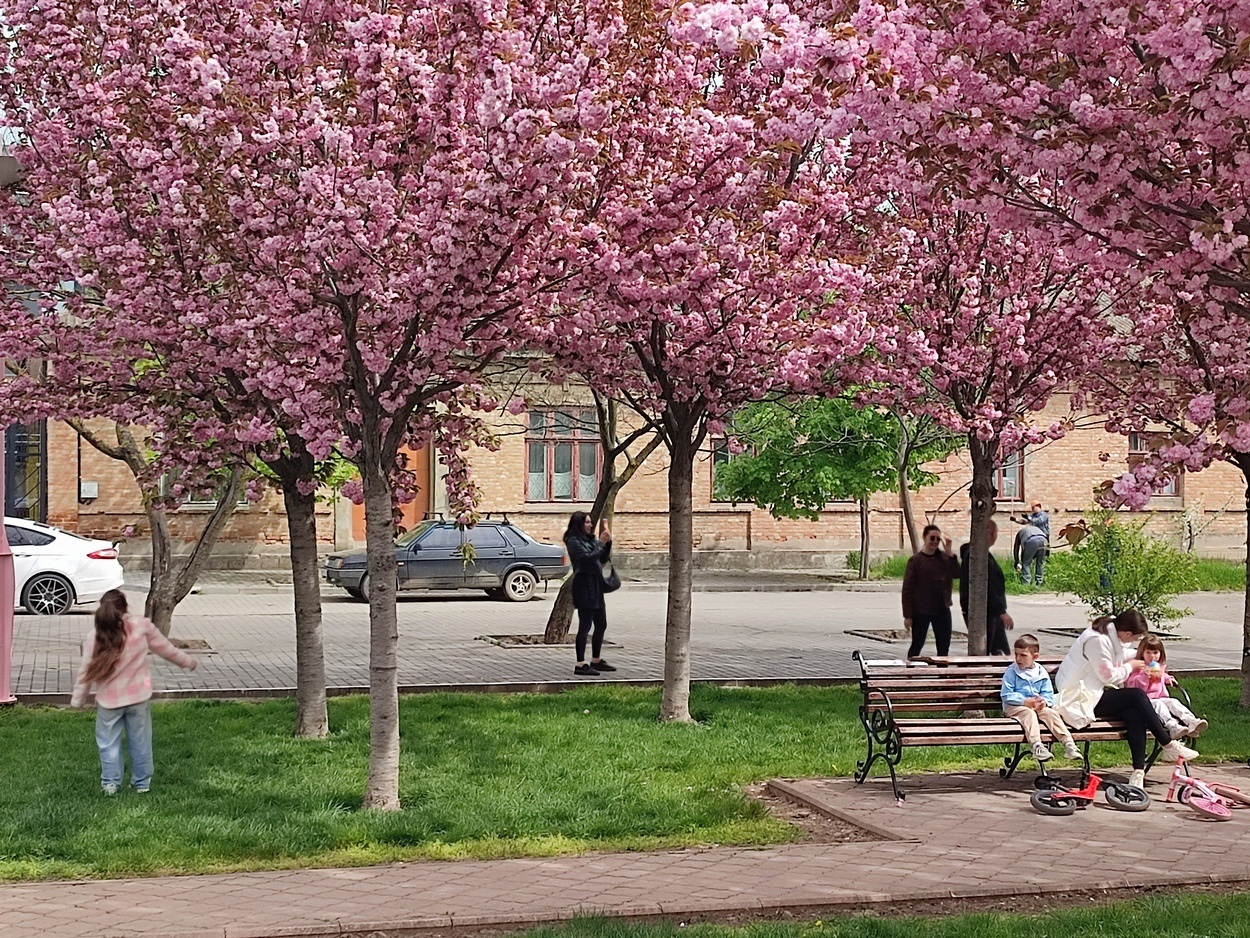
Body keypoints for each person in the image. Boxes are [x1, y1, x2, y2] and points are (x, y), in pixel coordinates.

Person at [69, 589, 198, 794]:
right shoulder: (141, 627)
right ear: (125, 607)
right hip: (138, 698)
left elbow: (86, 670)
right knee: (140, 740)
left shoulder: (95, 636)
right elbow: (165, 648)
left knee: (108, 743)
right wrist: (186, 661)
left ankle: (110, 784)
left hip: (108, 702)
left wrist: (78, 700)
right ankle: (142, 784)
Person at [1054, 609, 1198, 790]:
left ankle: (1138, 772)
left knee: (1134, 712)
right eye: (1135, 639)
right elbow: (1108, 676)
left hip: (1093, 691)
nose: (1133, 643)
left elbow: (1123, 653)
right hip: (1077, 696)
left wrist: (1145, 657)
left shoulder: (1112, 628)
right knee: (1136, 695)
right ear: (1128, 633)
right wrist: (1131, 666)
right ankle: (1167, 743)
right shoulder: (1097, 641)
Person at [1000, 633, 1082, 763]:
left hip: (1037, 707)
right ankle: (1037, 746)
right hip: (1015, 707)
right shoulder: (1012, 672)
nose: (1018, 659)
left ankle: (1069, 744)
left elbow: (1048, 693)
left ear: (1035, 656)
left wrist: (1044, 702)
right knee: (1028, 713)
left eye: (1023, 655)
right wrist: (1024, 701)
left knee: (1051, 713)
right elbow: (1006, 694)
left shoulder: (1041, 673)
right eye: (1016, 654)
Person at [563, 511, 616, 677]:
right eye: (587, 522)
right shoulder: (573, 541)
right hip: (584, 585)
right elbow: (586, 558)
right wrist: (600, 544)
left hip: (596, 584)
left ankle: (596, 659)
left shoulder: (591, 539)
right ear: (579, 524)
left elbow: (601, 559)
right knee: (585, 626)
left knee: (601, 624)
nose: (590, 525)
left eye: (590, 522)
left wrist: (607, 544)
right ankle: (580, 664)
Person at [1126, 634, 1208, 739]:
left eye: (1155, 652)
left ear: (1161, 653)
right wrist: (1145, 677)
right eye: (1148, 652)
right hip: (1145, 702)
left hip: (1161, 697)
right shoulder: (1138, 668)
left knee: (1173, 702)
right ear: (1142, 653)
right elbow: (1135, 688)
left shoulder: (1159, 667)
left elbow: (1162, 676)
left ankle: (1191, 720)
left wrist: (1168, 678)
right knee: (1160, 705)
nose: (1152, 656)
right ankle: (1172, 726)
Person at [901, 524, 960, 659]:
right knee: (917, 644)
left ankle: (942, 676)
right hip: (921, 610)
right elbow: (907, 590)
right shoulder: (916, 561)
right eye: (932, 538)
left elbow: (957, 574)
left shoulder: (945, 558)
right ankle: (910, 674)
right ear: (924, 537)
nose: (934, 542)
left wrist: (950, 553)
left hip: (942, 609)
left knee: (944, 647)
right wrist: (908, 615)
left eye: (938, 539)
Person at [959, 520, 1013, 655]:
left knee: (999, 651)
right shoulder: (977, 556)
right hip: (986, 611)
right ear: (991, 534)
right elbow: (989, 586)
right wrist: (1001, 611)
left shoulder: (981, 554)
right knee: (988, 650)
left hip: (989, 611)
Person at [1013, 522, 1050, 586]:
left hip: (1031, 541)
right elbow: (1046, 538)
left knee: (1026, 563)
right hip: (1044, 540)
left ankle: (1026, 583)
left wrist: (1017, 562)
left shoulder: (1020, 533)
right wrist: (1047, 554)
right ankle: (1039, 583)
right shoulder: (1037, 529)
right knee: (1040, 562)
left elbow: (1016, 549)